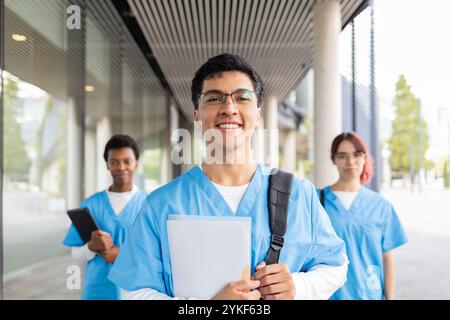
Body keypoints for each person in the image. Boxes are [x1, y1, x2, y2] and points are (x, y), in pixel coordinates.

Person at [109, 53, 348, 300]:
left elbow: (336, 266)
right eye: (214, 98)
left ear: (258, 113)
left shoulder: (299, 194)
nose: (229, 109)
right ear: (197, 114)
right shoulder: (160, 205)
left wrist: (299, 286)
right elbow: (136, 292)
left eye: (242, 98)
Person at [318, 132, 407, 300]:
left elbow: (386, 260)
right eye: (342, 156)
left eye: (357, 155)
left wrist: (391, 297)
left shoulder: (381, 207)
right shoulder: (316, 202)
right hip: (329, 294)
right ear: (333, 159)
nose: (350, 162)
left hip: (369, 294)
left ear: (365, 158)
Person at [63, 134, 147, 299]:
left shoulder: (151, 204)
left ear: (136, 163)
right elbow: (76, 254)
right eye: (114, 162)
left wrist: (121, 255)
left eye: (127, 161)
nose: (121, 167)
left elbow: (161, 254)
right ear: (107, 165)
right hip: (99, 291)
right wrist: (91, 247)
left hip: (138, 292)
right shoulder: (90, 205)